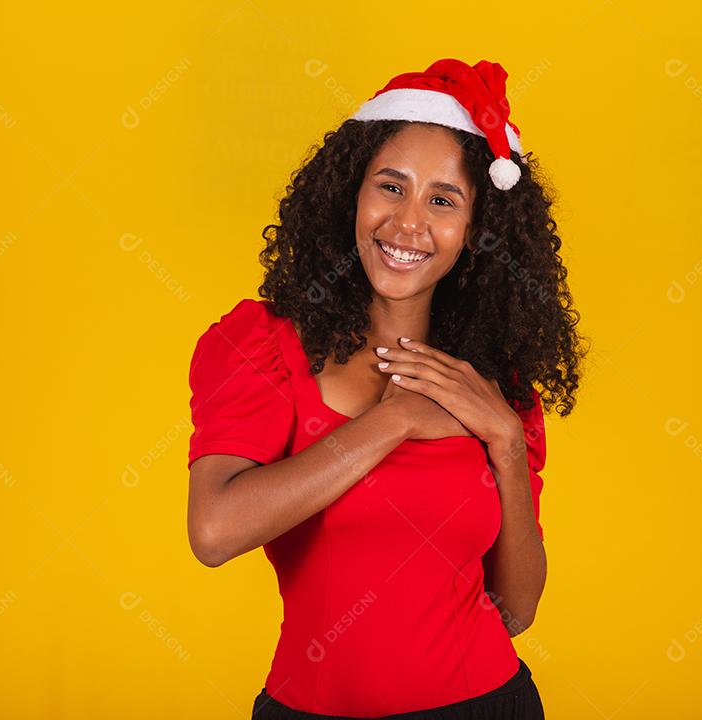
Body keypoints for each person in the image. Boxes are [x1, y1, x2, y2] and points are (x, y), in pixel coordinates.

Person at [186, 58, 586, 719]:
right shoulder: (264, 345)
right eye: (390, 187)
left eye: (442, 200)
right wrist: (392, 421)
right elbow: (215, 530)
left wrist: (508, 444)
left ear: (476, 231)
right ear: (351, 195)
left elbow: (516, 610)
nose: (407, 224)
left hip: (488, 704)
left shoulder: (493, 383)